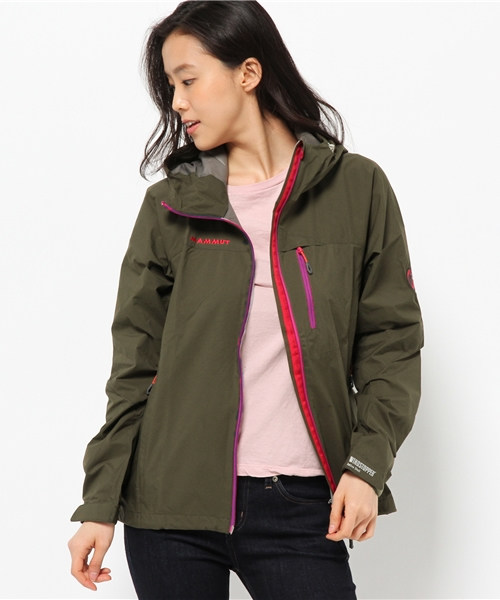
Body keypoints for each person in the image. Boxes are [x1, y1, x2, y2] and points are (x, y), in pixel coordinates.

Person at [68, 2, 423, 598]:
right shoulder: (169, 207)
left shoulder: (357, 189)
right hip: (170, 507)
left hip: (302, 505)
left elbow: (391, 346)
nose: (177, 103)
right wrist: (100, 503)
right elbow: (134, 369)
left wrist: (365, 467)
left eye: (187, 81)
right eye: (170, 87)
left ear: (248, 73)